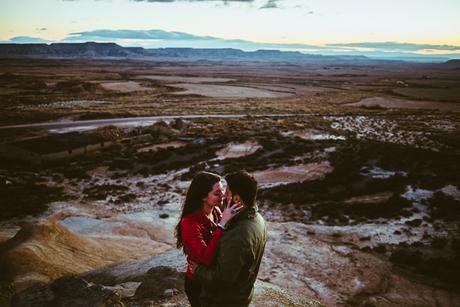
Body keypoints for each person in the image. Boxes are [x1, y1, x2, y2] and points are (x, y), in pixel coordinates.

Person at [192, 170, 268, 307]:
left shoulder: (238, 236)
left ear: (237, 199)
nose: (223, 196)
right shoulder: (258, 219)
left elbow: (223, 279)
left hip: (223, 301)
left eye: (227, 192)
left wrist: (198, 270)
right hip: (241, 295)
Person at [175, 172, 243, 307]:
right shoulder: (189, 222)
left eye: (222, 191)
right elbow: (205, 258)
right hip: (197, 283)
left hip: (213, 277)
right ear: (203, 196)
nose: (223, 196)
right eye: (217, 193)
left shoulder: (216, 211)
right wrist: (222, 224)